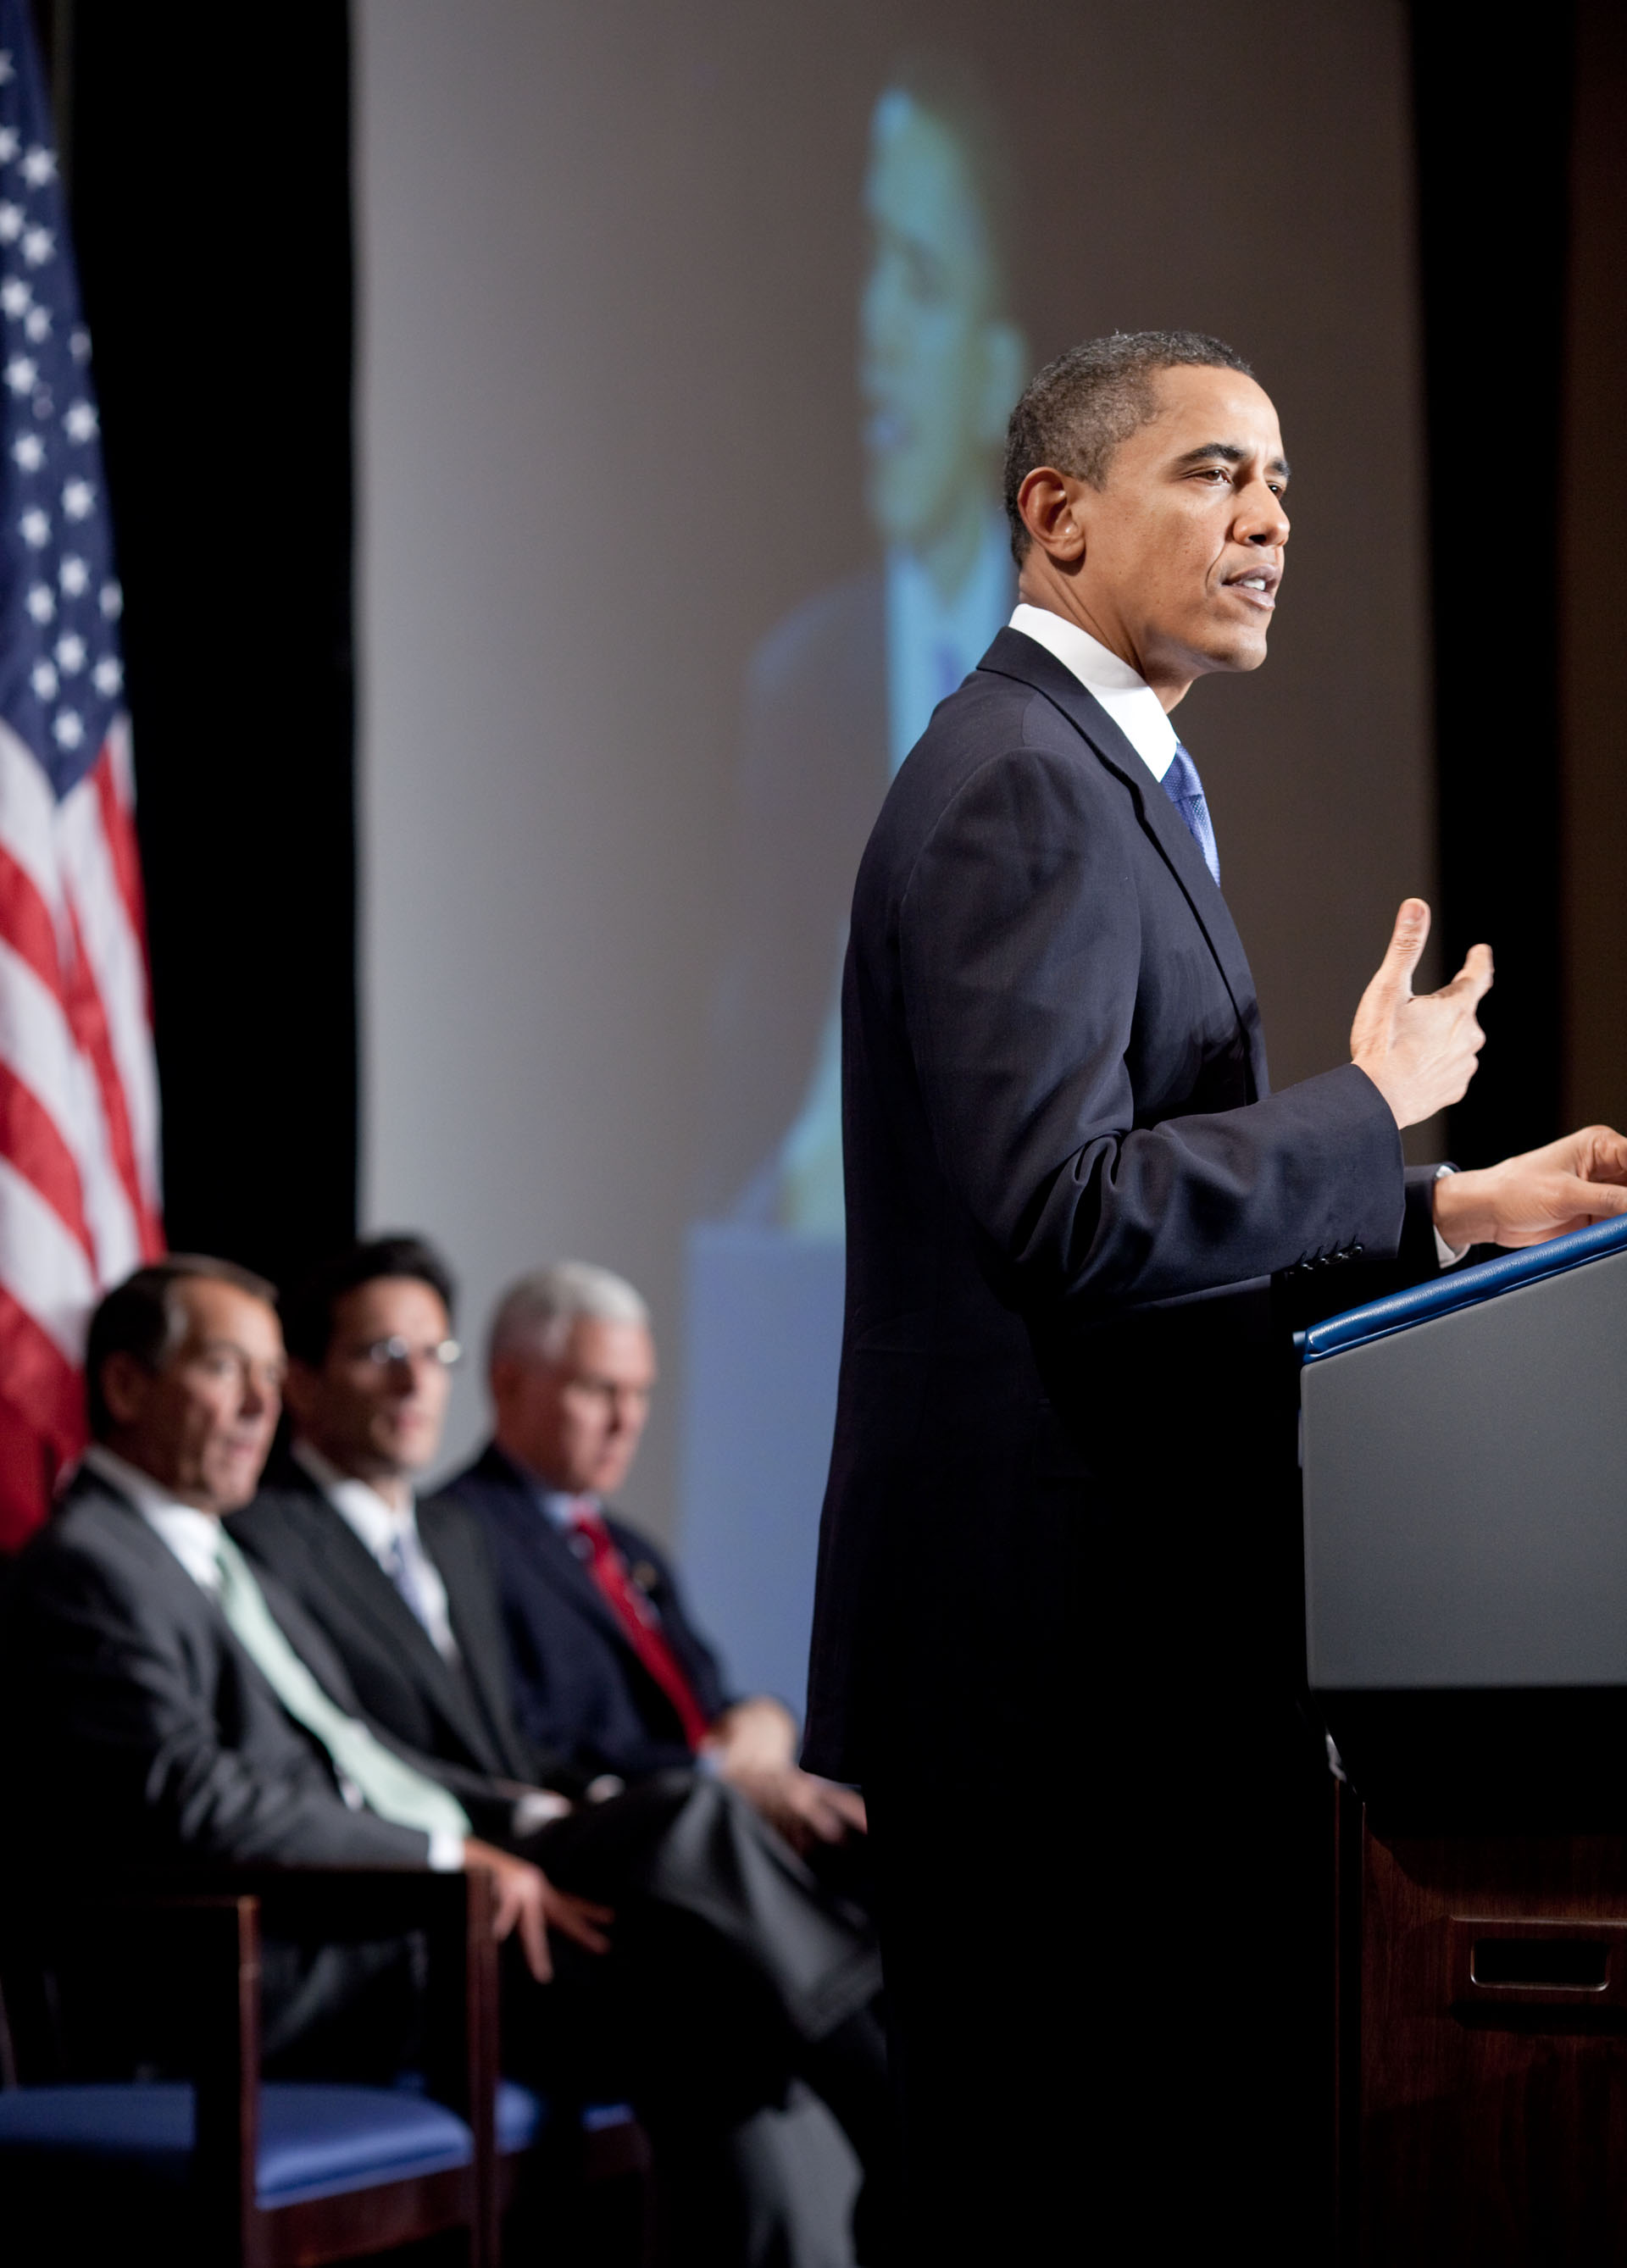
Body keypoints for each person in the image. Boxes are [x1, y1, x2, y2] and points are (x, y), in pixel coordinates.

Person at [801, 329, 1627, 2259]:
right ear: (1057, 513)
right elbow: (1066, 1218)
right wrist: (1363, 1109)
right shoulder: (1020, 781)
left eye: (1281, 488)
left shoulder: (1107, 776)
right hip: (1052, 1701)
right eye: (1210, 475)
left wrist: (1435, 1204)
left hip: (1111, 1682)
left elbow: (1128, 1246)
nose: (1266, 523)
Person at [230, 1236, 891, 2265]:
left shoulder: (443, 1543)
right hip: (438, 1893)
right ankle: (886, 2065)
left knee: (721, 2019)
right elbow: (353, 1756)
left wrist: (759, 1731)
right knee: (695, 1819)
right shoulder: (267, 1543)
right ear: (302, 1384)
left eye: (432, 1355)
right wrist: (543, 1818)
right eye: (379, 1354)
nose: (415, 1383)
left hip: (550, 1855)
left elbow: (527, 1738)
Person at [0, 1256, 587, 2082]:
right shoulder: (89, 1566)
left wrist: (516, 1815)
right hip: (241, 1974)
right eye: (223, 1368)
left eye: (271, 1374)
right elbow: (194, 1800)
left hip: (346, 1923)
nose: (260, 1405)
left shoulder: (225, 1557)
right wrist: (441, 1858)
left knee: (664, 1881)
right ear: (127, 1387)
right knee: (665, 1946)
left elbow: (353, 1745)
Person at [703, 58, 1027, 1230]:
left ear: (1004, 368)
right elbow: (728, 1151)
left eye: (924, 280)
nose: (874, 327)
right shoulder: (796, 689)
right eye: (871, 267)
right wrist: (797, 1187)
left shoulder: (1107, 679)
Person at [446, 1260, 866, 1861]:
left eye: (641, 1392)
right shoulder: (459, 1537)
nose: (627, 1421)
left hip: (724, 1824)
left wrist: (766, 1718)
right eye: (599, 1390)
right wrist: (716, 1771)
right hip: (629, 1845)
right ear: (507, 1382)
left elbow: (705, 1698)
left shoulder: (629, 1548)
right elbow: (524, 1737)